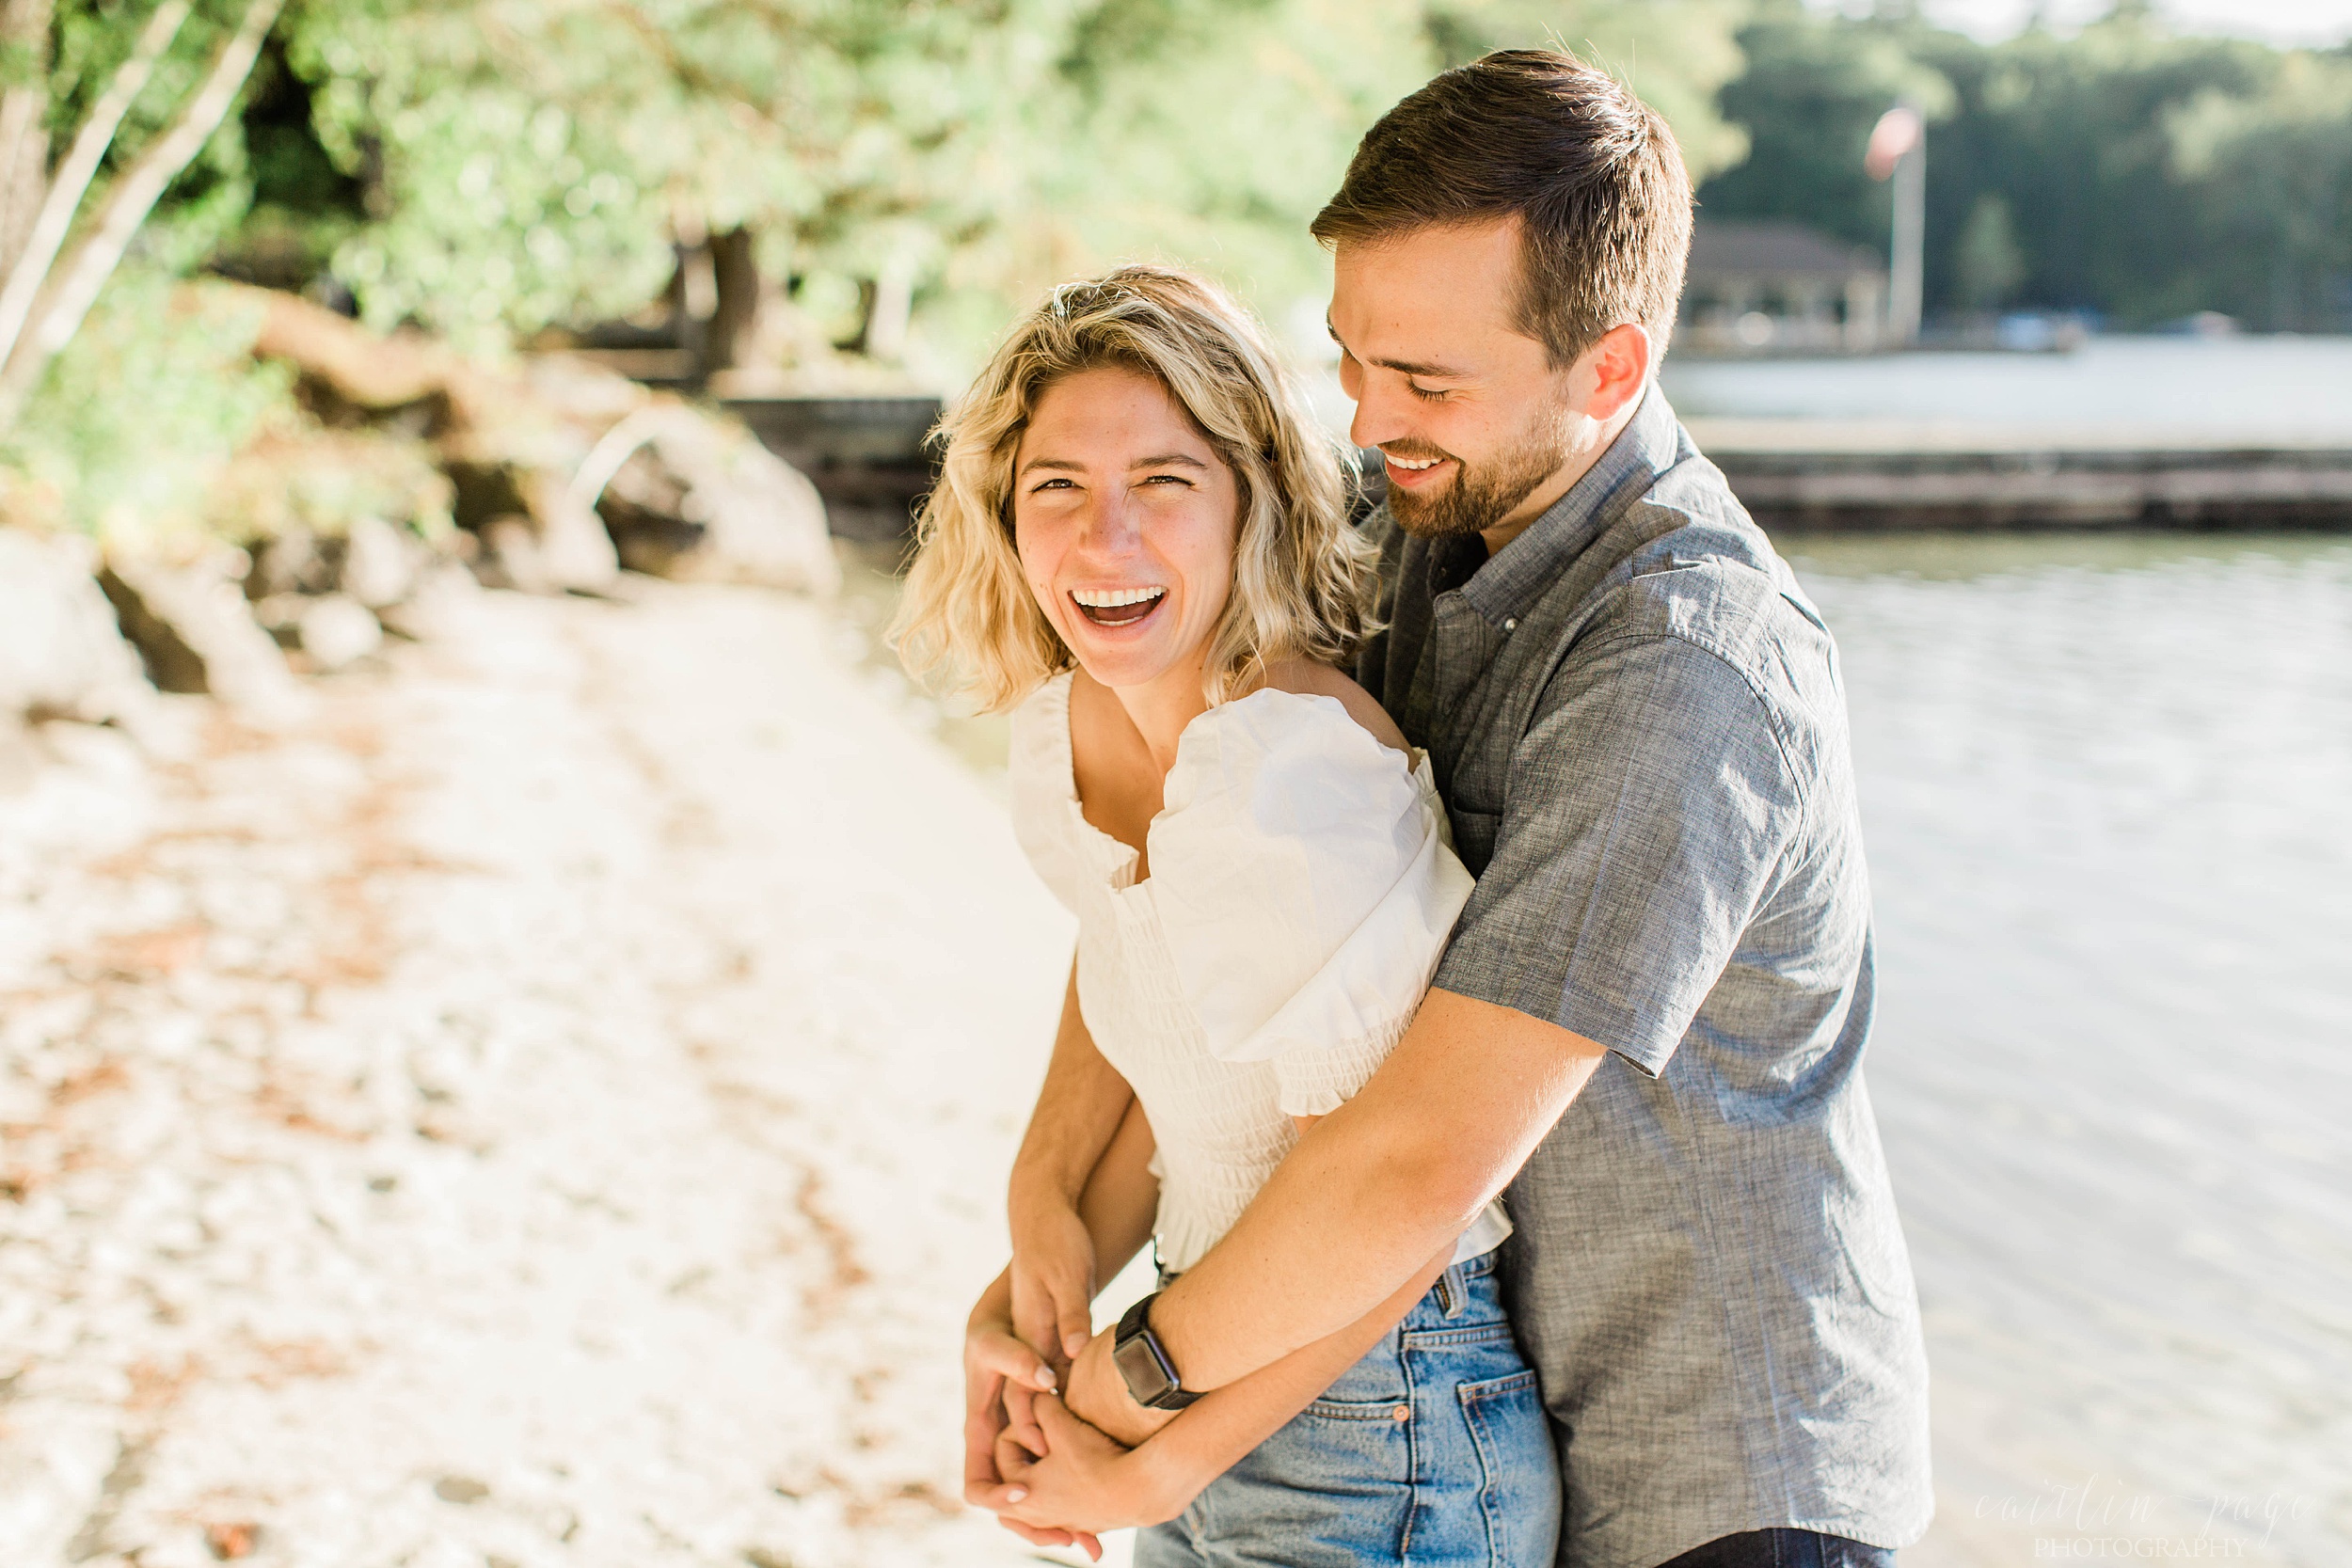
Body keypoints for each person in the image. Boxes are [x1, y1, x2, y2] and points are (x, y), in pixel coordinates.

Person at [964, 50, 1934, 1568]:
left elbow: (1420, 1153)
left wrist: (1142, 1381)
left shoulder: (1691, 670)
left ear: (1606, 373)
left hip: (1714, 1469)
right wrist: (1045, 1222)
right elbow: (1164, 877)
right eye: (1352, 358)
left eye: (1425, 381)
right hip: (1438, 1405)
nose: (1365, 420)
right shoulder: (1409, 512)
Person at [896, 264, 1562, 1566]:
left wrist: (1168, 1464)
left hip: (1387, 1417)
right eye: (1059, 491)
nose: (1108, 542)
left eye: (1165, 483)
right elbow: (1175, 1049)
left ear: (1250, 498)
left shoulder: (1282, 781)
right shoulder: (1071, 735)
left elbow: (1396, 1222)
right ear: (1003, 517)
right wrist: (1035, 1286)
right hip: (1191, 1353)